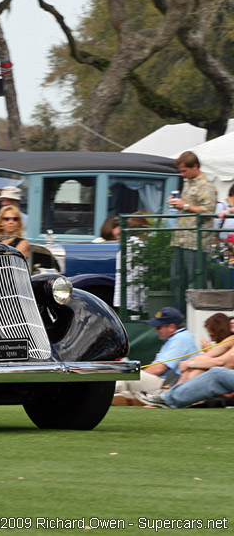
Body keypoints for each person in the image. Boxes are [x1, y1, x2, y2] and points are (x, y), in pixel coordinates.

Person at [114, 306, 197, 403]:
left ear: (171, 327)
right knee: (128, 372)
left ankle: (111, 395)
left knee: (128, 373)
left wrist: (139, 377)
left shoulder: (181, 338)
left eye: (158, 327)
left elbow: (158, 369)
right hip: (166, 382)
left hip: (169, 385)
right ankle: (127, 396)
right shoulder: (176, 338)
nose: (155, 329)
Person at [169, 151, 216, 306]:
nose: (182, 174)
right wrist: (178, 204)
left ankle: (194, 316)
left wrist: (185, 206)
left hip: (196, 242)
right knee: (177, 279)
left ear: (195, 166)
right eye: (181, 171)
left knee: (194, 281)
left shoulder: (206, 186)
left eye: (185, 171)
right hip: (180, 239)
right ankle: (180, 317)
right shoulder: (188, 184)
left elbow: (209, 212)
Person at [175, 312, 234, 383]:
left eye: (213, 336)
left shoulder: (231, 340)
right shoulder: (230, 339)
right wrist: (187, 364)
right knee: (202, 362)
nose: (212, 340)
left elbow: (220, 362)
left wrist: (189, 364)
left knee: (203, 366)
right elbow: (207, 357)